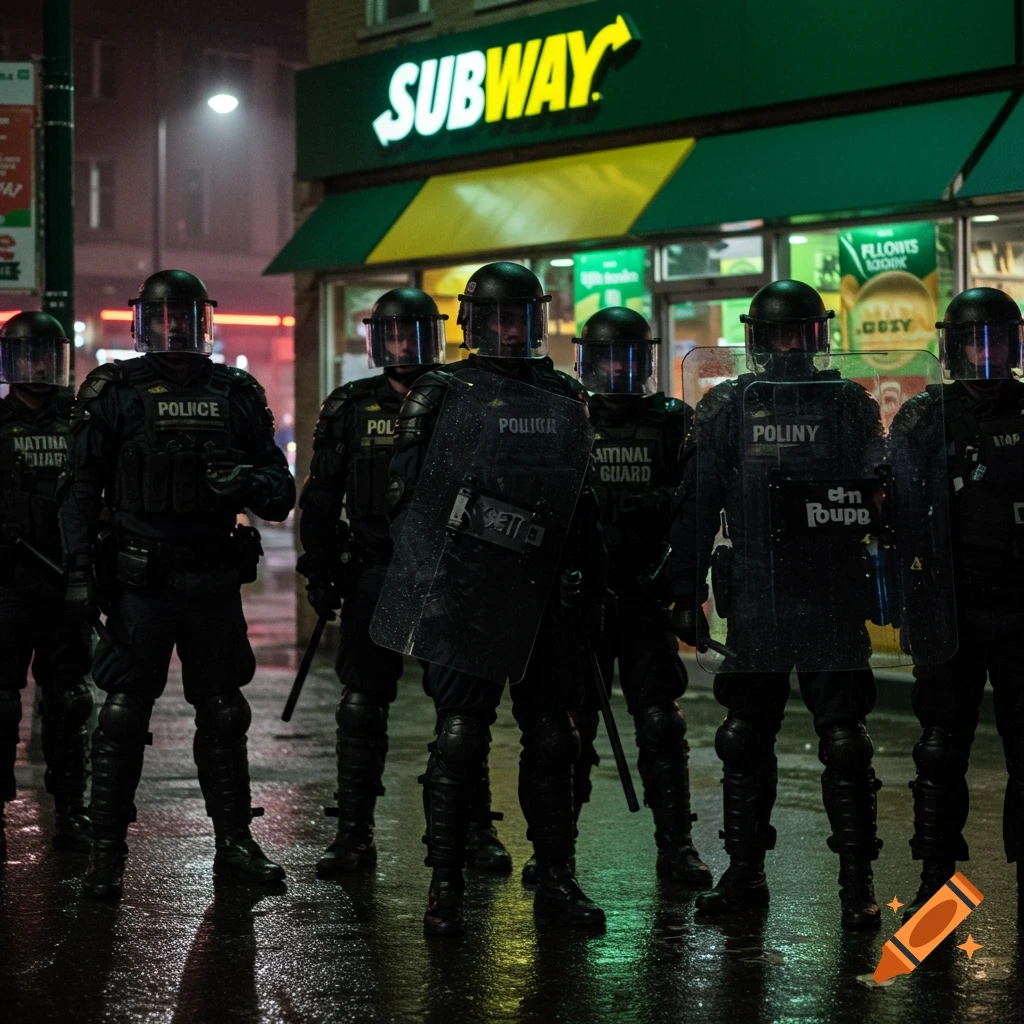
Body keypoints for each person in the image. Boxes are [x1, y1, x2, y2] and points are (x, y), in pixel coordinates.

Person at [381, 262, 607, 936]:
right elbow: (408, 509)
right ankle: (445, 886)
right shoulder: (439, 391)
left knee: (555, 739)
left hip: (543, 600)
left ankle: (558, 880)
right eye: (497, 317)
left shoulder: (564, 393)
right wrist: (440, 587)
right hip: (467, 597)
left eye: (520, 317)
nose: (510, 329)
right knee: (458, 740)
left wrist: (586, 586)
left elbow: (584, 503)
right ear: (472, 322)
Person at [59, 269, 295, 898]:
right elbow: (79, 492)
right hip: (140, 580)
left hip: (213, 579)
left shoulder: (236, 391)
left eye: (185, 318)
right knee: (121, 714)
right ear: (143, 323)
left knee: (223, 713)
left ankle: (235, 845)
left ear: (204, 321)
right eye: (162, 319)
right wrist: (79, 574)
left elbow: (280, 492)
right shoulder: (113, 389)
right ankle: (105, 853)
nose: (174, 331)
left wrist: (244, 480)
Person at [669, 280, 885, 929]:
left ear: (817, 337)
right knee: (742, 741)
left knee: (846, 744)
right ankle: (744, 874)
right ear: (758, 342)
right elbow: (699, 501)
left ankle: (856, 884)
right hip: (760, 596)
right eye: (779, 335)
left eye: (800, 333)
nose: (791, 345)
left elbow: (878, 484)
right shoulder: (729, 406)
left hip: (829, 593)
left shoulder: (848, 404)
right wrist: (685, 589)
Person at [296, 287, 511, 877]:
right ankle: (353, 834)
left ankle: (473, 828)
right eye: (391, 334)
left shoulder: (465, 397)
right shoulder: (349, 406)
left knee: (461, 713)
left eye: (412, 333)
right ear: (375, 338)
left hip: (451, 577)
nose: (401, 345)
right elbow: (321, 497)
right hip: (376, 571)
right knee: (362, 707)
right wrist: (319, 567)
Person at [521, 306, 710, 887]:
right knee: (570, 727)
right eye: (604, 359)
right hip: (583, 600)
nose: (615, 371)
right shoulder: (565, 417)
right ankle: (555, 853)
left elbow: (695, 507)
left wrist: (683, 588)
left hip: (646, 591)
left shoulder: (674, 421)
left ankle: (676, 845)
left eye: (627, 358)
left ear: (646, 362)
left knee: (660, 723)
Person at [891, 287, 1024, 920]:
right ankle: (935, 882)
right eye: (975, 341)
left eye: (996, 340)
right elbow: (895, 514)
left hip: (1022, 608)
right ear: (952, 347)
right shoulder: (924, 417)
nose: (985, 353)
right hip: (952, 608)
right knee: (941, 747)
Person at [0, 312, 93, 861]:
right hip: (7, 584)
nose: (36, 365)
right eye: (25, 353)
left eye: (44, 354)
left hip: (65, 584)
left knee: (70, 702)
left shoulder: (81, 424)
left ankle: (71, 811)